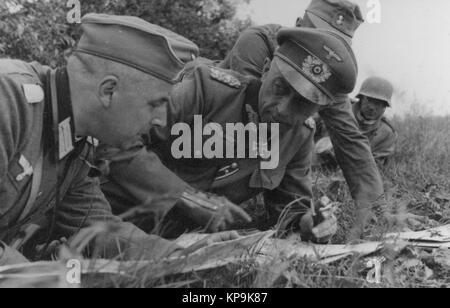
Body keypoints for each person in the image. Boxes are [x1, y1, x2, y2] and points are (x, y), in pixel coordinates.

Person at [0, 13, 235, 266]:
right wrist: (34, 277)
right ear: (108, 91)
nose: (160, 120)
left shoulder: (77, 143)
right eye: (156, 104)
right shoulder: (10, 101)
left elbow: (97, 227)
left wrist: (181, 254)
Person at [101, 26, 358, 243]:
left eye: (303, 104)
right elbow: (118, 142)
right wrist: (187, 197)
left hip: (180, 243)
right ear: (267, 68)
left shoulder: (299, 135)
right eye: (280, 88)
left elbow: (289, 209)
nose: (282, 108)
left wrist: (309, 224)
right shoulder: (206, 89)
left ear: (319, 109)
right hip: (111, 215)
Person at [218, 0, 387, 235]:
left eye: (333, 47)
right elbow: (246, 114)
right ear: (299, 24)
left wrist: (377, 211)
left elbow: (349, 138)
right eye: (317, 37)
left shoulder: (325, 76)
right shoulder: (257, 42)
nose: (321, 53)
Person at [314, 77, 397, 167]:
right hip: (314, 160)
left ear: (385, 106)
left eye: (378, 103)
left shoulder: (387, 133)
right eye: (369, 100)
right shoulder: (339, 111)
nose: (372, 107)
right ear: (361, 98)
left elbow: (374, 165)